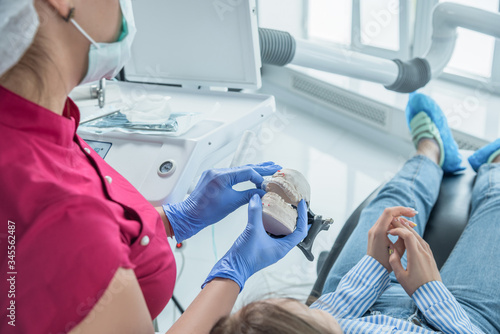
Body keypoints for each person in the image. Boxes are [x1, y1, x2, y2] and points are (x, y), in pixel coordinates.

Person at [0, 1, 307, 333]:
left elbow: (97, 237)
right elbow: (73, 238)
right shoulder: (63, 217)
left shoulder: (37, 120)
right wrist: (234, 272)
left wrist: (174, 218)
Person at [210, 93, 500, 334]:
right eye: (306, 310)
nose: (311, 305)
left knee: (393, 201)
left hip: (363, 302)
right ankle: (494, 166)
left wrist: (374, 265)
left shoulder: (326, 319)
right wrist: (429, 290)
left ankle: (431, 150)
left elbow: (330, 314)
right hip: (463, 319)